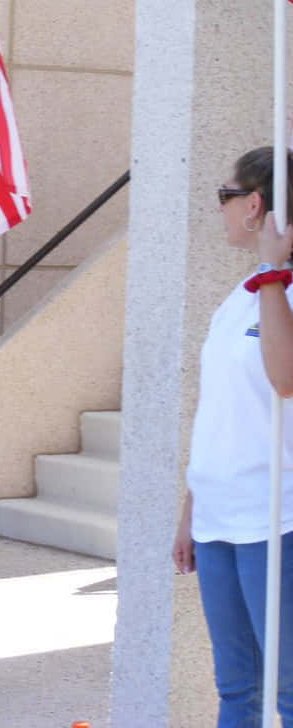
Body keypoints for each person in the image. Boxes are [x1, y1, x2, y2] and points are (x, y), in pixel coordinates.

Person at [172, 146, 293, 727]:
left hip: (276, 517)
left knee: (288, 688)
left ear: (255, 205)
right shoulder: (239, 293)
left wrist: (275, 275)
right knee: (235, 686)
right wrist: (191, 509)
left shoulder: (279, 291)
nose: (217, 209)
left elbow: (284, 379)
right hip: (219, 513)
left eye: (225, 196)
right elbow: (219, 408)